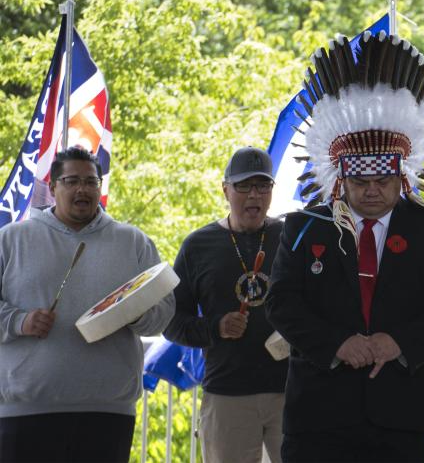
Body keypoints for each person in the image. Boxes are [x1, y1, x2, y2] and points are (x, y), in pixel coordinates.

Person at [264, 30, 424, 462]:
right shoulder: (306, 227)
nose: (372, 191)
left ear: (403, 178)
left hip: (403, 414)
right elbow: (282, 302)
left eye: (383, 181)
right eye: (360, 182)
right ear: (341, 179)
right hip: (319, 415)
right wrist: (337, 343)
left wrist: (398, 343)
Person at [0, 146, 175, 463]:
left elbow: (162, 315)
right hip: (24, 412)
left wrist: (132, 312)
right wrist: (19, 322)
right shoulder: (11, 240)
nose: (82, 189)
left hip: (108, 413)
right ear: (52, 188)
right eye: (71, 181)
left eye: (91, 182)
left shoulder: (133, 242)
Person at [164, 146, 287, 463]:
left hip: (290, 391)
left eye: (263, 186)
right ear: (225, 190)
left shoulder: (290, 238)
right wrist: (214, 328)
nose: (254, 196)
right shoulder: (198, 246)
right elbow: (171, 321)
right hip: (227, 393)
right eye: (244, 186)